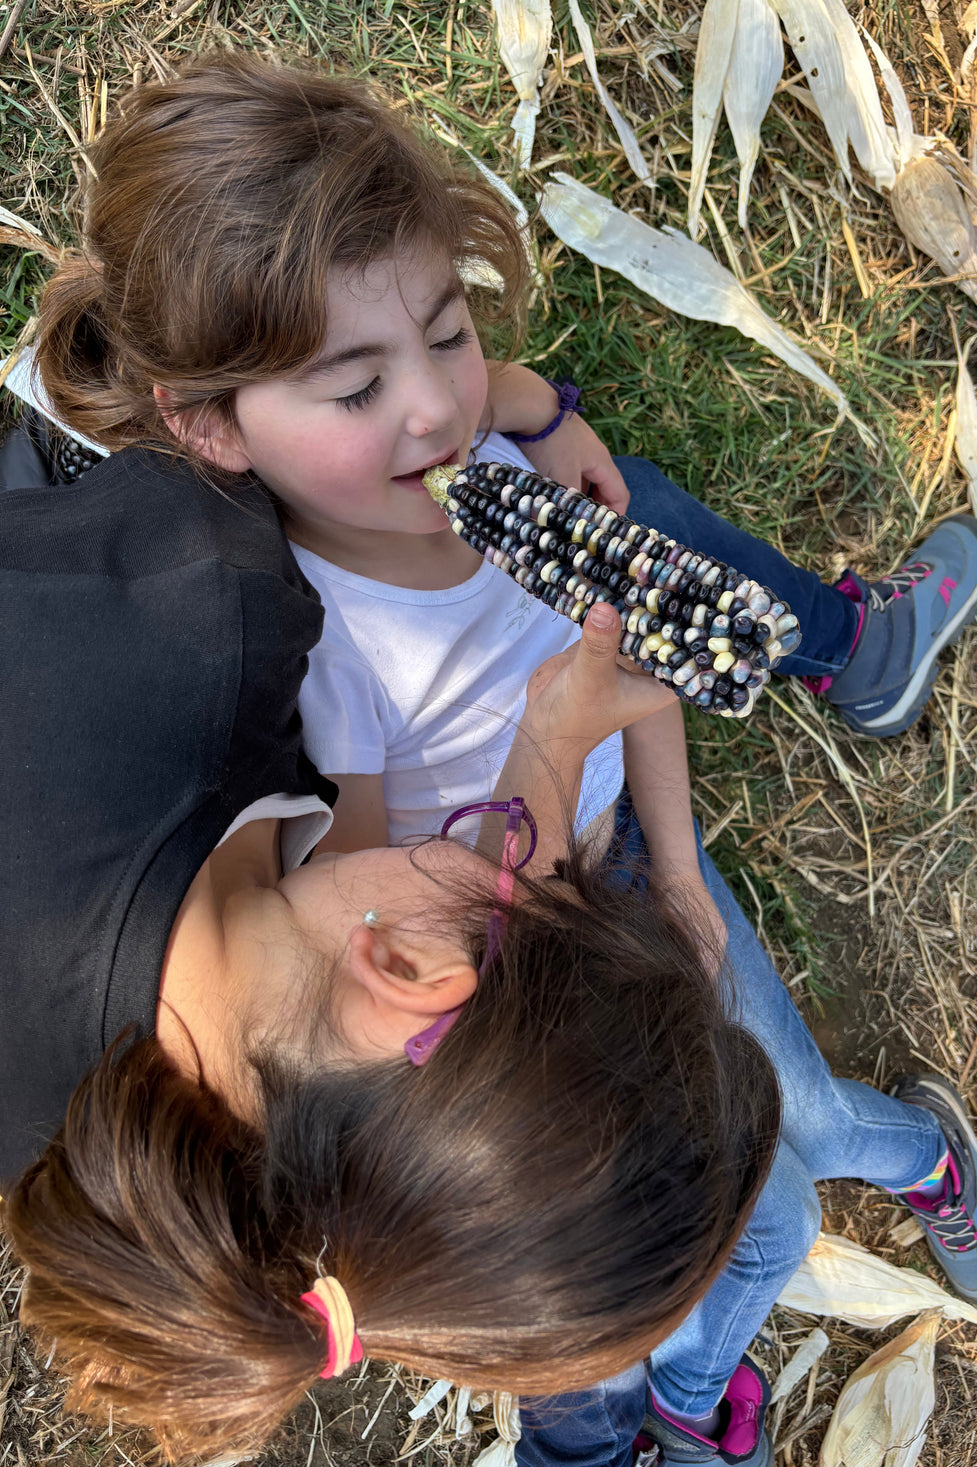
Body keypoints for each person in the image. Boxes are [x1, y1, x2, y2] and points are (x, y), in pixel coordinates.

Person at [11, 49, 977, 1467]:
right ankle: (652, 1392)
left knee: (764, 1139)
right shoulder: (288, 650)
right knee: (772, 1194)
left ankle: (846, 1184)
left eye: (448, 337)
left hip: (534, 887)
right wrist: (569, 763)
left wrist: (534, 415)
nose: (435, 411)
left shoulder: (211, 616)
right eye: (357, 385)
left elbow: (578, 724)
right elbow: (409, 867)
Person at [1, 422, 782, 1461]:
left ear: (408, 973)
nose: (521, 844)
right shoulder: (62, 1143)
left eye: (535, 878)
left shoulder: (210, 598)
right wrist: (549, 736)